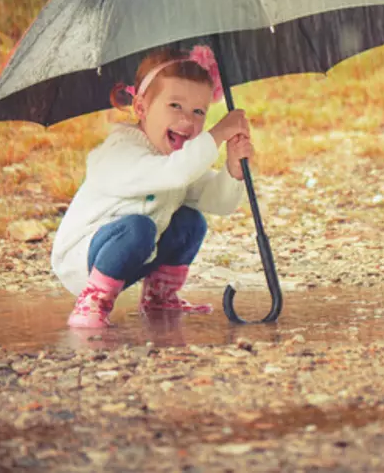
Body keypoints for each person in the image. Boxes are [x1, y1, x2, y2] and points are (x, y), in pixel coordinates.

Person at [51, 45, 252, 328]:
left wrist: (233, 168)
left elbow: (218, 201)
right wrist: (217, 134)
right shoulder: (120, 152)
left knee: (191, 221)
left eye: (199, 111)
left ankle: (159, 296)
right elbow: (175, 174)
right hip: (85, 260)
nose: (188, 120)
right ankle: (92, 301)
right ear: (141, 107)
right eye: (175, 106)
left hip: (136, 255)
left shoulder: (175, 160)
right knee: (139, 228)